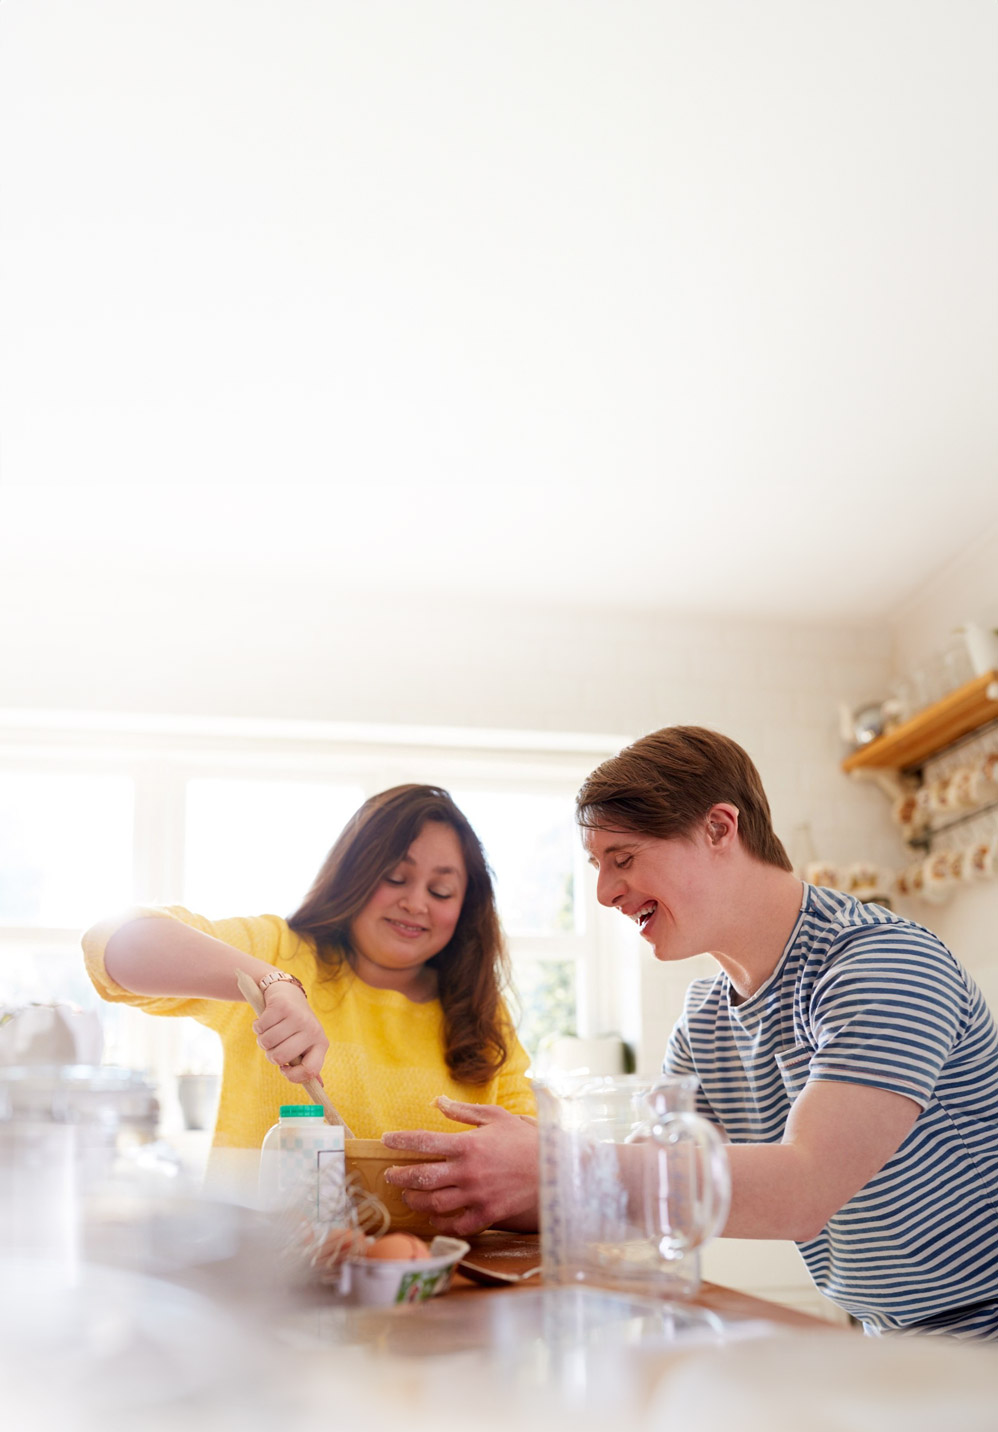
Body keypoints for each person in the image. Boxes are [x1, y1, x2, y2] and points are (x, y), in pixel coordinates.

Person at [390, 726, 998, 1340]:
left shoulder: (881, 964)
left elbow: (805, 1189)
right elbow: (645, 1184)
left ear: (718, 829)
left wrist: (560, 1169)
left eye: (622, 859)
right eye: (598, 867)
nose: (603, 893)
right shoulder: (707, 1015)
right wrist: (491, 1178)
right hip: (892, 1333)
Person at [82, 783, 537, 1229]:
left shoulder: (480, 1012)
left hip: (443, 1288)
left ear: (466, 907)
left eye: (441, 892)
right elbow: (112, 945)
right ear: (354, 874)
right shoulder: (278, 952)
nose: (415, 902)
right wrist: (271, 982)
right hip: (264, 1283)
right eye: (395, 877)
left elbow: (533, 1182)